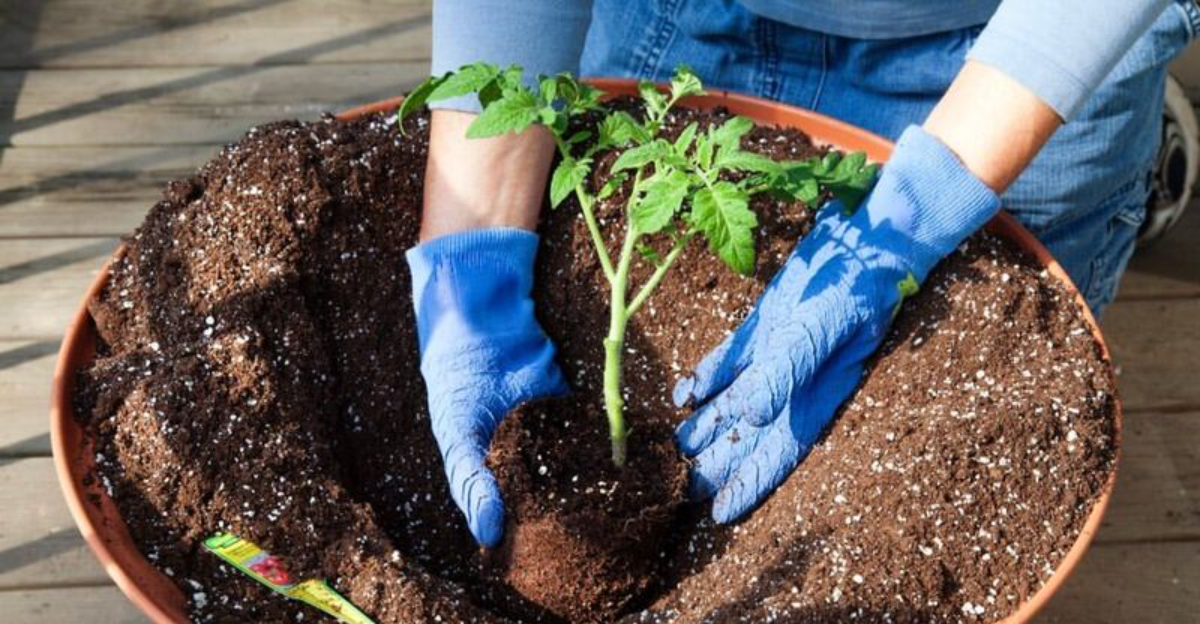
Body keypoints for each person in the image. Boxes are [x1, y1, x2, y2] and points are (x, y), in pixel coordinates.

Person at [405, 0, 1198, 547]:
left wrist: (924, 209)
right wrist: (468, 259)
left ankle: (1136, 150)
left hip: (1019, 45)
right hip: (680, 25)